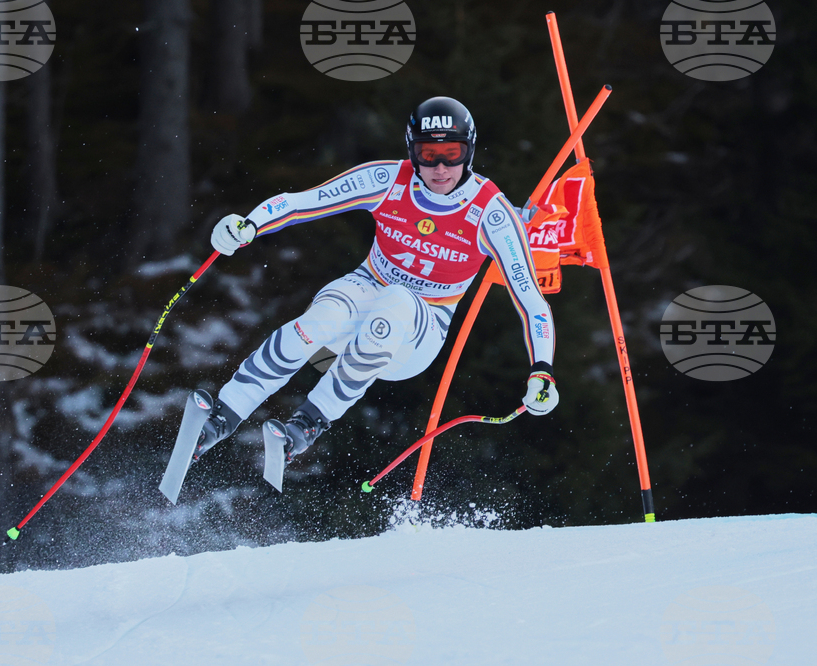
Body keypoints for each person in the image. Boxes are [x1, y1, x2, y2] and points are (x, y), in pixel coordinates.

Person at [190, 96, 559, 468]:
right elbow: (304, 202)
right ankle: (222, 416)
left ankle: (308, 423)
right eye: (429, 154)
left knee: (397, 300)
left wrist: (542, 369)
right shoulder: (386, 179)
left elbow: (531, 300)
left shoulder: (491, 213)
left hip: (420, 331)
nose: (442, 167)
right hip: (366, 289)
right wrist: (249, 225)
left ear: (470, 150)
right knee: (320, 322)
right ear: (412, 151)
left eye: (453, 152)